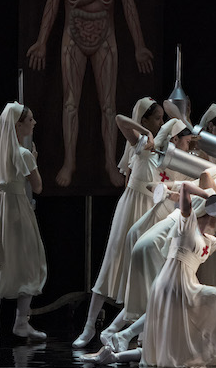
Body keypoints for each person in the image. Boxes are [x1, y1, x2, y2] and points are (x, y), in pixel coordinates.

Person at [26, 0, 154, 188]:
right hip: (73, 36)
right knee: (70, 101)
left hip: (105, 37)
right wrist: (42, 41)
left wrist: (139, 46)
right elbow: (52, 5)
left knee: (109, 104)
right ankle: (69, 162)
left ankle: (110, 164)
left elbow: (129, 6)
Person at [83, 181, 216, 368]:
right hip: (175, 282)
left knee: (170, 349)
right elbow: (187, 187)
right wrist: (209, 195)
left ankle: (114, 355)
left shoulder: (208, 240)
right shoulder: (186, 226)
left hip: (180, 285)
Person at [72, 116, 193, 348]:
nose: (188, 146)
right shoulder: (145, 147)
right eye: (186, 141)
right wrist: (145, 130)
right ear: (175, 138)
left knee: (144, 272)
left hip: (154, 216)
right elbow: (119, 120)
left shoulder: (179, 165)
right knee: (112, 263)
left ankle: (135, 334)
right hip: (130, 209)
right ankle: (89, 327)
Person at [0, 103, 47, 341]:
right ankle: (21, 322)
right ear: (18, 125)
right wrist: (35, 161)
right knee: (29, 262)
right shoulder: (23, 154)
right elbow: (38, 187)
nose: (34, 123)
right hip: (17, 209)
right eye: (30, 120)